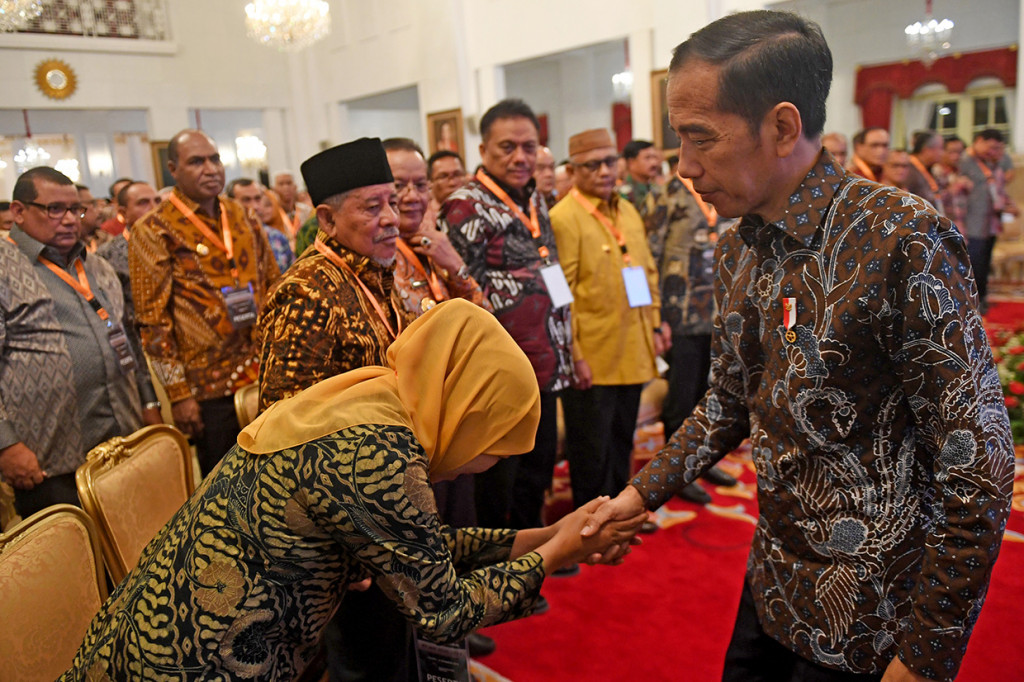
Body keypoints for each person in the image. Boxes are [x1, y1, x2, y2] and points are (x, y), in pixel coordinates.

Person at [586, 10, 1013, 682]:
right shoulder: (739, 247)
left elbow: (977, 464)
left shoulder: (901, 239)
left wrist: (928, 655)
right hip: (776, 582)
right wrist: (637, 497)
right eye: (678, 141)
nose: (686, 167)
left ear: (782, 127)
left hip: (877, 612)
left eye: (702, 140)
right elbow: (729, 399)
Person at [61, 299, 644, 682]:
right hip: (199, 660)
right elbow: (441, 611)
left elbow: (419, 547)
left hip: (165, 631)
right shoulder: (377, 450)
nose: (478, 467)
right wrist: (561, 551)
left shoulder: (379, 396)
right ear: (463, 407)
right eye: (490, 443)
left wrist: (542, 535)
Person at [440, 98, 574, 533]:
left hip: (545, 359)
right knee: (500, 479)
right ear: (483, 151)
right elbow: (460, 296)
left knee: (539, 467)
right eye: (507, 147)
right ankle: (497, 570)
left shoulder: (536, 198)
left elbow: (550, 268)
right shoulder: (465, 204)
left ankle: (534, 550)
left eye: (529, 147)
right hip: (499, 372)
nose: (521, 157)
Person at [0, 168, 159, 517]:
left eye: (76, 209)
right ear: (19, 211)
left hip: (121, 439)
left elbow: (129, 340)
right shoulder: (3, 266)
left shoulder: (98, 267)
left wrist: (149, 401)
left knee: (133, 544)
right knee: (75, 562)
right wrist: (6, 444)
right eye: (55, 209)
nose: (70, 219)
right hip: (49, 454)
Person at [130, 129, 280, 476]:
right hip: (207, 386)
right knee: (226, 487)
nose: (210, 169)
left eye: (215, 159)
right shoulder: (154, 229)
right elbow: (153, 321)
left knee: (276, 477)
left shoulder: (242, 214)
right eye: (196, 162)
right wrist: (178, 394)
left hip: (263, 369)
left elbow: (273, 283)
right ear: (173, 169)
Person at [549, 128, 666, 510]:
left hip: (633, 343)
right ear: (574, 170)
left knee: (622, 437)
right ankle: (590, 519)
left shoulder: (627, 210)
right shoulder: (563, 218)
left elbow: (645, 272)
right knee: (590, 447)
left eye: (609, 162)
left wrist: (655, 323)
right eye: (592, 165)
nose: (604, 171)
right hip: (592, 357)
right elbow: (560, 296)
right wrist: (574, 353)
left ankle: (619, 510)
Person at [960, 128, 1017, 313]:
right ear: (978, 141)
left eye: (999, 149)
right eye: (991, 147)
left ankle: (982, 298)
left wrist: (1008, 203)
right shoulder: (963, 161)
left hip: (991, 222)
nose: (995, 152)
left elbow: (1000, 185)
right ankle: (970, 304)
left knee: (984, 262)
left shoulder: (994, 161)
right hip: (970, 223)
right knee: (973, 264)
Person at [227, 177, 294, 273]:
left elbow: (292, 277)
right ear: (230, 203)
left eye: (257, 199)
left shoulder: (276, 237)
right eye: (246, 200)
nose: (255, 206)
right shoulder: (225, 239)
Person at [618, 138, 665, 216]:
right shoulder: (623, 194)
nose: (654, 163)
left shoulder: (656, 189)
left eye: (655, 157)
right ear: (631, 163)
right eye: (647, 158)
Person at [272, 169, 314, 244]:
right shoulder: (272, 214)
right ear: (274, 189)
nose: (286, 187)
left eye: (289, 183)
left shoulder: (307, 210)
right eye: (281, 184)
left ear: (295, 187)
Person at [906, 130, 944, 211]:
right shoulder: (908, 169)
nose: (942, 153)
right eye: (940, 148)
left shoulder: (928, 169)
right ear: (927, 150)